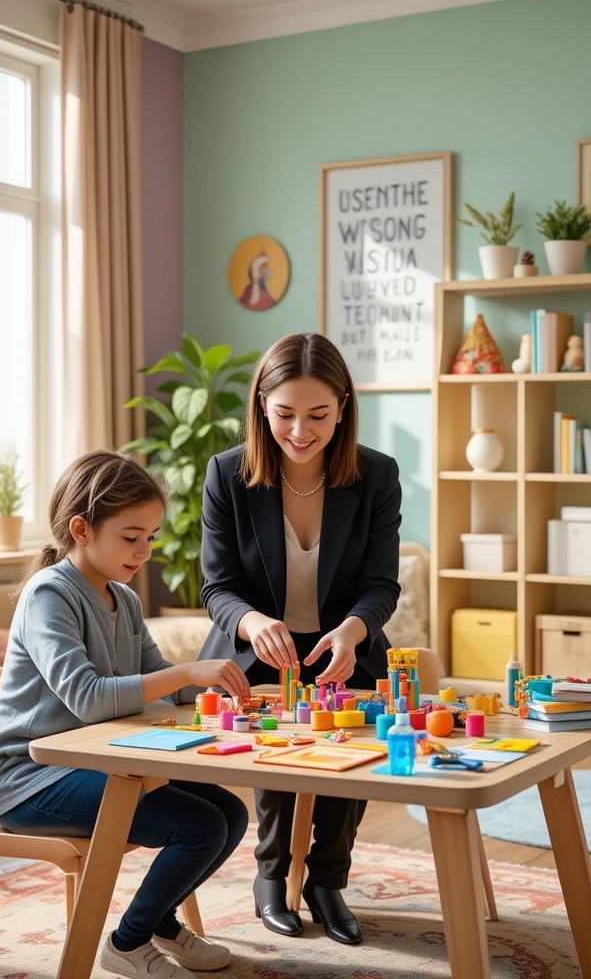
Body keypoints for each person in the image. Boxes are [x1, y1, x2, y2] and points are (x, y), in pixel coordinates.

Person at [0, 450, 252, 979]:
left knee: (230, 814)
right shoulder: (48, 596)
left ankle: (160, 924)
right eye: (132, 537)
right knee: (198, 826)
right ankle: (127, 942)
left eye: (150, 537)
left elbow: (161, 686)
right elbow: (89, 697)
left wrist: (221, 686)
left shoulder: (122, 601)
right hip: (32, 779)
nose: (145, 551)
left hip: (92, 765)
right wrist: (187, 674)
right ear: (82, 529)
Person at [197, 332, 402, 945]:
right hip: (256, 652)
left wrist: (355, 629)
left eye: (318, 415)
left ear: (343, 406)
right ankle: (270, 876)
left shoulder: (376, 475)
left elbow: (381, 584)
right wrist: (252, 621)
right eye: (285, 414)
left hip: (344, 648)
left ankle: (327, 880)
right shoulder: (228, 475)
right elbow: (216, 588)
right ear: (262, 404)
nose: (300, 431)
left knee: (352, 755)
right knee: (281, 755)